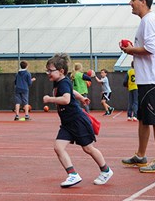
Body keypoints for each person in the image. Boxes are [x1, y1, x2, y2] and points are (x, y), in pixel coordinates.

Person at [42, 53, 113, 187]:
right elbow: (72, 91)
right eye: (47, 70)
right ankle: (73, 175)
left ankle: (106, 170)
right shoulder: (61, 81)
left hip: (77, 120)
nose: (48, 73)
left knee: (88, 148)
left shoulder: (63, 83)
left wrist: (49, 99)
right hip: (67, 123)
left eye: (50, 70)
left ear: (61, 71)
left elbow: (66, 99)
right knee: (58, 147)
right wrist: (81, 98)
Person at [120, 0, 155, 173]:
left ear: (143, 1)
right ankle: (141, 155)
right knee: (143, 118)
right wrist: (133, 50)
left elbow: (150, 48)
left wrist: (131, 50)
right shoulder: (146, 21)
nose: (130, 3)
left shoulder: (149, 20)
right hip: (145, 79)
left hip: (152, 79)